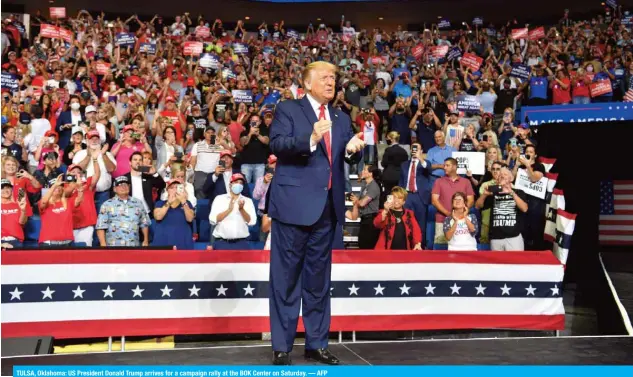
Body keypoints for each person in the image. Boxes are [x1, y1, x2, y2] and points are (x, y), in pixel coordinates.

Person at [267, 61, 363, 365]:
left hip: (327, 211)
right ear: (307, 84)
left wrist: (352, 150)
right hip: (292, 208)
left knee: (319, 283)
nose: (331, 82)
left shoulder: (341, 117)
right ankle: (282, 347)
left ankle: (317, 344)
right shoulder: (288, 109)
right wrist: (310, 138)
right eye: (324, 78)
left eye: (334, 78)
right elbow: (278, 145)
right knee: (285, 280)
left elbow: (344, 158)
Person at [475, 167, 528, 251]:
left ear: (512, 178)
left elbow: (524, 208)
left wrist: (512, 193)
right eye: (500, 175)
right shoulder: (492, 194)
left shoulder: (518, 192)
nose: (502, 176)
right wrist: (484, 195)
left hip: (514, 237)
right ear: (497, 179)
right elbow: (477, 206)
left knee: (516, 263)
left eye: (505, 174)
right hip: (496, 238)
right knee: (497, 264)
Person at [96, 175, 151, 247]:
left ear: (129, 187)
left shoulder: (138, 203)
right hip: (113, 247)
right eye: (120, 185)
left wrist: (146, 240)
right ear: (114, 189)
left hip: (134, 246)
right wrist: (103, 245)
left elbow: (144, 223)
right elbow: (100, 227)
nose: (123, 187)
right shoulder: (107, 204)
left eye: (126, 184)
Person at [431, 157, 475, 246]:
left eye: (447, 165)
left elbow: (471, 200)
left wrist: (460, 215)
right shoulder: (438, 181)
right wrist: (448, 214)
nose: (444, 167)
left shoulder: (466, 182)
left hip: (462, 222)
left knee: (461, 247)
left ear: (454, 167)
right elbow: (434, 201)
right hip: (442, 220)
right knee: (440, 248)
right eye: (444, 165)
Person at [208, 173, 256, 250]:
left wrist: (241, 210)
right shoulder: (219, 199)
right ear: (230, 184)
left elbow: (251, 221)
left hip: (241, 243)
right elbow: (213, 220)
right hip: (222, 243)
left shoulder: (248, 201)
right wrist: (229, 210)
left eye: (241, 183)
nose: (238, 185)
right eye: (236, 182)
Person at [399, 143, 433, 247]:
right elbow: (401, 182)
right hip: (407, 196)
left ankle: (420, 246)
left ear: (421, 150)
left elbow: (428, 169)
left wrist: (420, 158)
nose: (414, 150)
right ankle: (407, 245)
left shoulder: (425, 163)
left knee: (420, 223)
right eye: (413, 148)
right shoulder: (404, 164)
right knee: (405, 222)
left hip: (420, 196)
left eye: (417, 148)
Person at [39, 175, 81, 246]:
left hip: (68, 242)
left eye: (60, 186)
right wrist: (55, 185)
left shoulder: (68, 202)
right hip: (48, 243)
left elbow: (78, 200)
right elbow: (43, 202)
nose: (57, 187)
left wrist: (80, 188)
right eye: (55, 186)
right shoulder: (44, 203)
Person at [153, 179, 195, 250]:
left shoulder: (187, 204)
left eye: (177, 187)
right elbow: (158, 217)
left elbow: (190, 218)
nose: (175, 190)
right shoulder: (160, 203)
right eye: (172, 188)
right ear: (167, 190)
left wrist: (183, 201)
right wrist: (168, 202)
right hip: (163, 243)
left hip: (183, 243)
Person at [65, 160, 100, 247]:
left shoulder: (87, 183)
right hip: (71, 224)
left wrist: (95, 160)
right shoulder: (64, 186)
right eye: (73, 172)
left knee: (85, 250)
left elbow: (97, 174)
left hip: (86, 224)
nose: (77, 174)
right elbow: (65, 194)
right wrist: (75, 184)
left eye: (78, 172)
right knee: (72, 253)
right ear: (68, 174)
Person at [125, 152, 166, 219]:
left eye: (140, 160)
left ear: (142, 163)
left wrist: (155, 173)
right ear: (130, 162)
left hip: (147, 213)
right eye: (135, 160)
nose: (138, 162)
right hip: (130, 214)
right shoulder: (125, 178)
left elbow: (162, 185)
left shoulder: (148, 177)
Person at [355, 164, 382, 249]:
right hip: (364, 219)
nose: (362, 171)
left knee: (367, 246)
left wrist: (356, 200)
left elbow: (362, 203)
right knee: (362, 244)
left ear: (370, 173)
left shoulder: (373, 186)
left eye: (365, 170)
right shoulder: (365, 185)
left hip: (370, 220)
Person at [1, 178, 27, 248]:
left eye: (8, 188)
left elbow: (22, 222)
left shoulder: (19, 205)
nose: (5, 190)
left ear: (11, 190)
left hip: (15, 241)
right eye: (2, 188)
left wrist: (23, 210)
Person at [380, 131, 408, 195]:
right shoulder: (404, 151)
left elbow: (384, 163)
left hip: (389, 176)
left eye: (388, 138)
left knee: (389, 195)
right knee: (398, 195)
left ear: (392, 139)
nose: (387, 140)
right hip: (400, 176)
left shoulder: (388, 150)